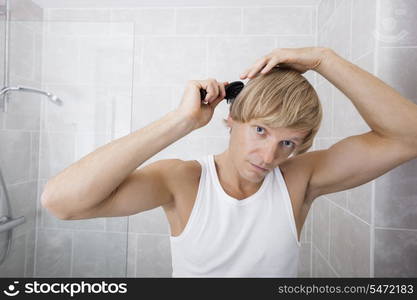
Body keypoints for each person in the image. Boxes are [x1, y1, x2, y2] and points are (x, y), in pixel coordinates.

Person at [41, 47, 417, 277]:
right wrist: (181, 121)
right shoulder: (183, 180)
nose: (270, 156)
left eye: (287, 142)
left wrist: (324, 59)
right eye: (260, 131)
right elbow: (61, 202)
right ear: (232, 119)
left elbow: (408, 137)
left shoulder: (301, 179)